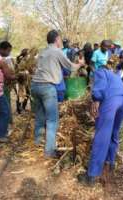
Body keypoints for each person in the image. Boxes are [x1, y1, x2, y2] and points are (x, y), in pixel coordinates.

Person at [31, 30, 84, 158]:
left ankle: (37, 141)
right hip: (47, 87)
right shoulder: (57, 51)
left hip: (35, 86)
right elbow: (70, 67)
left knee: (39, 115)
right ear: (56, 40)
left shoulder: (43, 52)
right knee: (52, 120)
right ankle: (49, 151)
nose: (61, 41)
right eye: (60, 39)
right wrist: (80, 64)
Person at [78, 64, 123, 186]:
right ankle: (110, 162)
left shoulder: (100, 71)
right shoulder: (115, 75)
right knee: (114, 131)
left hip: (113, 100)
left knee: (102, 135)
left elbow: (100, 85)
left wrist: (96, 99)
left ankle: (91, 176)